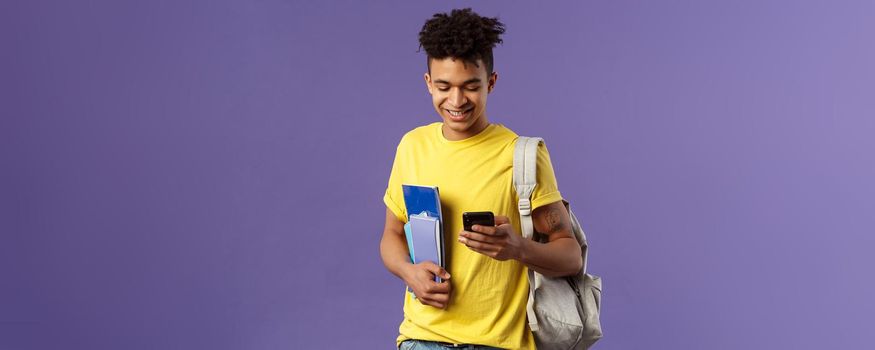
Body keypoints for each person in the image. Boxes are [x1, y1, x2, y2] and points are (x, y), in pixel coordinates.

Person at [380, 8, 583, 350]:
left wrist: (517, 247)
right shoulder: (412, 146)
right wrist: (407, 271)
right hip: (421, 339)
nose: (456, 100)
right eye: (444, 86)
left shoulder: (523, 155)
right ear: (428, 83)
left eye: (470, 87)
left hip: (498, 344)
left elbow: (571, 256)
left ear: (491, 82)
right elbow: (391, 233)